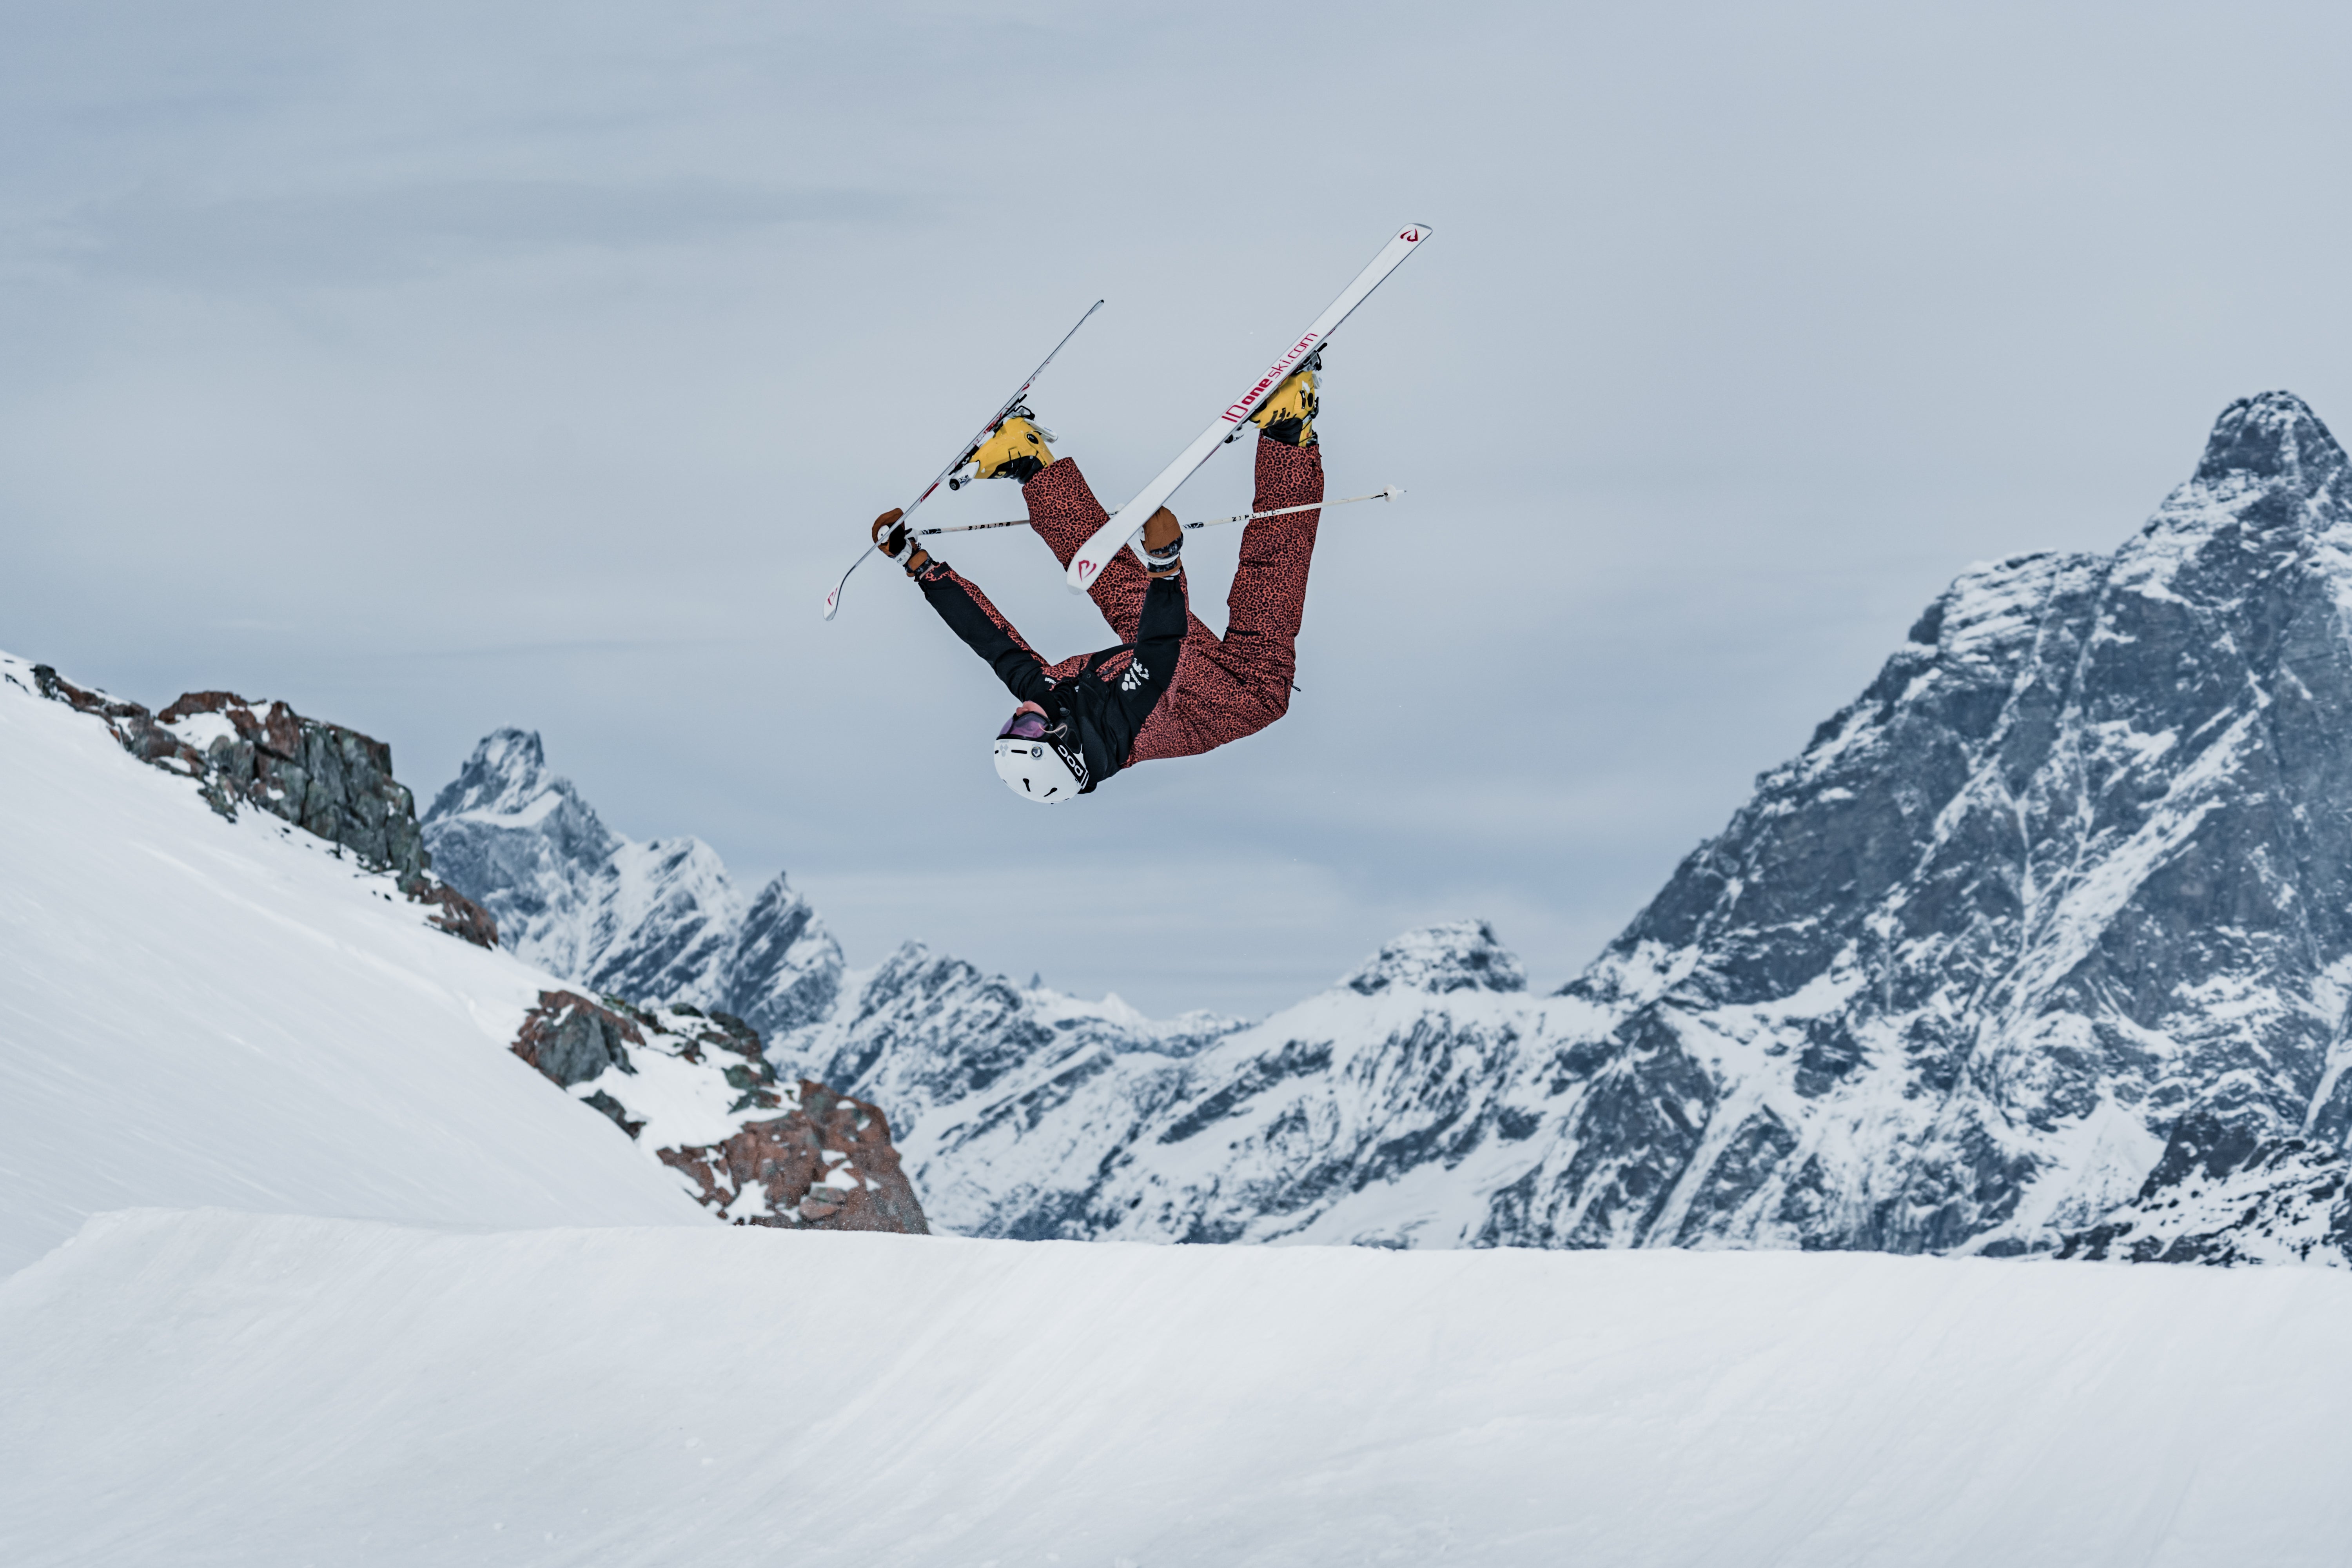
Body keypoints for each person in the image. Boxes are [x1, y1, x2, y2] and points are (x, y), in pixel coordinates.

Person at [869, 361, 1326, 803]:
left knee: (1109, 581)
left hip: (1178, 668)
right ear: (1060, 740)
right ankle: (1292, 429)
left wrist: (918, 564)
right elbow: (1159, 652)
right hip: (1247, 690)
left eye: (1008, 729)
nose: (1016, 717)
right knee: (1269, 577)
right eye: (1023, 731)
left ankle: (1029, 459)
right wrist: (1165, 566)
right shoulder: (1123, 722)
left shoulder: (1047, 696)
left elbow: (991, 642)